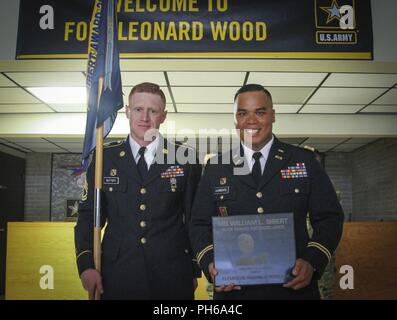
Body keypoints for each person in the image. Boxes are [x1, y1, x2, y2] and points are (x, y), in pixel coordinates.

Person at [189, 84, 344, 299]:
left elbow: (329, 217)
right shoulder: (217, 167)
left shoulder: (303, 160)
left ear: (273, 116)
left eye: (260, 112)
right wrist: (210, 263)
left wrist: (313, 260)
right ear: (235, 120)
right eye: (242, 113)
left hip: (293, 288)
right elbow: (198, 223)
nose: (251, 121)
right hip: (234, 291)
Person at [75, 82, 202, 299]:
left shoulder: (185, 157)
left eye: (153, 111)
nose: (145, 117)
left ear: (163, 116)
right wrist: (86, 265)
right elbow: (89, 216)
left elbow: (194, 218)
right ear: (127, 111)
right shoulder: (105, 158)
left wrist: (193, 268)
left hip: (172, 273)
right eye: (138, 109)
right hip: (116, 273)